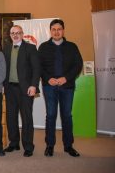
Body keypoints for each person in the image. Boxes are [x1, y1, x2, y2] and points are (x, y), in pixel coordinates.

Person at [38, 19, 83, 157]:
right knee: (51, 115)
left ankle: (68, 146)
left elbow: (78, 65)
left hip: (67, 86)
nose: (56, 32)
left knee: (67, 116)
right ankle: (50, 145)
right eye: (54, 29)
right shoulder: (43, 47)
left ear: (63, 30)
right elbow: (39, 66)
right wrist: (48, 78)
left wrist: (66, 78)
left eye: (59, 29)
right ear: (50, 31)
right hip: (49, 86)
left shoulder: (72, 46)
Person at [3, 25, 40, 157]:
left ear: (22, 34)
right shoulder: (6, 48)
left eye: (18, 33)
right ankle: (14, 143)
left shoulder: (30, 48)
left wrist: (34, 85)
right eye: (13, 33)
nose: (15, 35)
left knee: (26, 118)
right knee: (11, 117)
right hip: (10, 88)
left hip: (25, 89)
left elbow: (36, 69)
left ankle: (28, 146)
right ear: (10, 35)